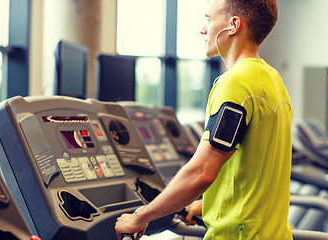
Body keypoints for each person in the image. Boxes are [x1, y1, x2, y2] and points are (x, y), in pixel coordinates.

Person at [115, 0, 293, 239]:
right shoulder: (274, 80)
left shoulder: (236, 83)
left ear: (233, 25)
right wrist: (209, 205)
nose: (203, 29)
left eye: (209, 19)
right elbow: (256, 174)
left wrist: (141, 217)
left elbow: (202, 172)